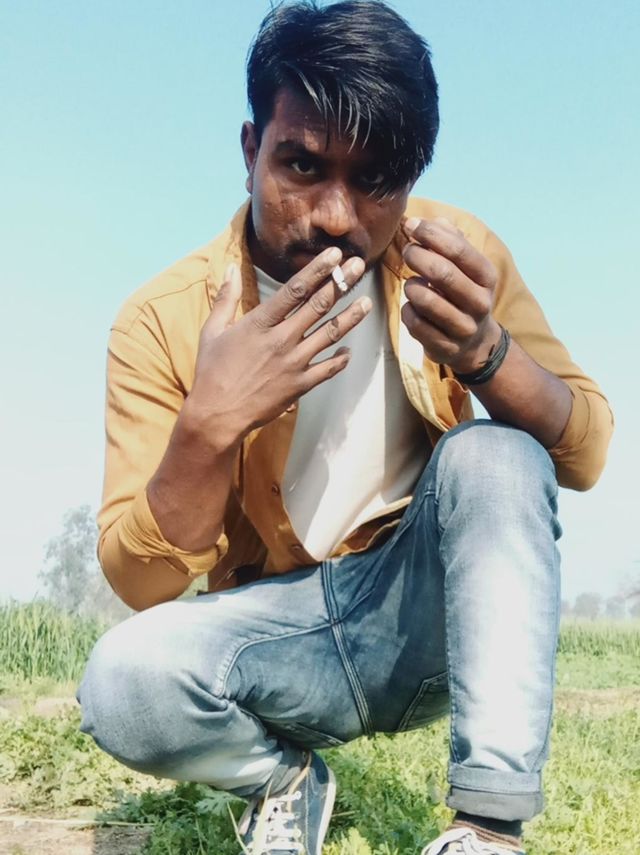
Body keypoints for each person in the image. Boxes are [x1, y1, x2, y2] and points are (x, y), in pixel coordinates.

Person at [77, 2, 613, 853]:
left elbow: (585, 451)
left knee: (498, 453)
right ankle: (281, 779)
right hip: (279, 639)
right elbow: (138, 582)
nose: (334, 215)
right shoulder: (162, 319)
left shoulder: (454, 256)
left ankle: (488, 827)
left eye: (376, 181)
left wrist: (487, 354)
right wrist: (208, 426)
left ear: (413, 177)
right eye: (302, 164)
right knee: (121, 680)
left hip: (417, 619)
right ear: (250, 151)